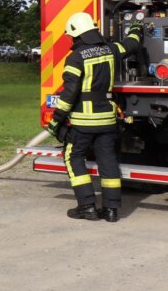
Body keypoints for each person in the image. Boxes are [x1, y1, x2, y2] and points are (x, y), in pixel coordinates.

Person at [46, 12, 143, 222]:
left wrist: (57, 119)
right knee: (108, 160)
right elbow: (131, 44)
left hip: (83, 122)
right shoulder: (110, 49)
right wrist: (136, 26)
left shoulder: (76, 57)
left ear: (76, 34)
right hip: (107, 119)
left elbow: (69, 92)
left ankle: (87, 206)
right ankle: (111, 210)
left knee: (73, 157)